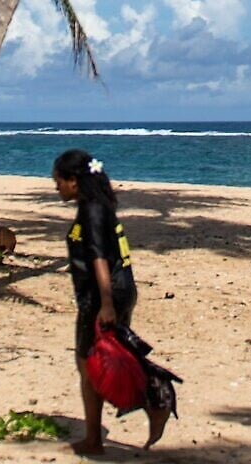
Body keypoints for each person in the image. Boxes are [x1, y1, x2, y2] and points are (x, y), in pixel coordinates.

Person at [53, 148, 168, 455]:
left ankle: (147, 407)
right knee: (113, 358)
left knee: (90, 364)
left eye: (58, 181)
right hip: (118, 290)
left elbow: (99, 258)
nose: (56, 187)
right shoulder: (98, 205)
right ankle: (150, 404)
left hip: (103, 295)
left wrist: (105, 303)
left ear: (74, 181)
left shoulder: (92, 210)